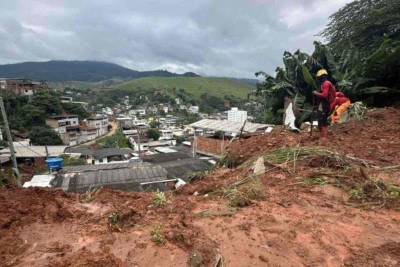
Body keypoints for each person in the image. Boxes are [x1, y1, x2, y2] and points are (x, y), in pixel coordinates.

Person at [313, 69, 336, 138]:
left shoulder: (325, 84)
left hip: (325, 105)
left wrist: (316, 93)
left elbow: (324, 95)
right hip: (324, 104)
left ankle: (323, 137)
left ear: (321, 77)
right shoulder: (325, 83)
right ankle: (322, 135)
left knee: (323, 120)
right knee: (321, 118)